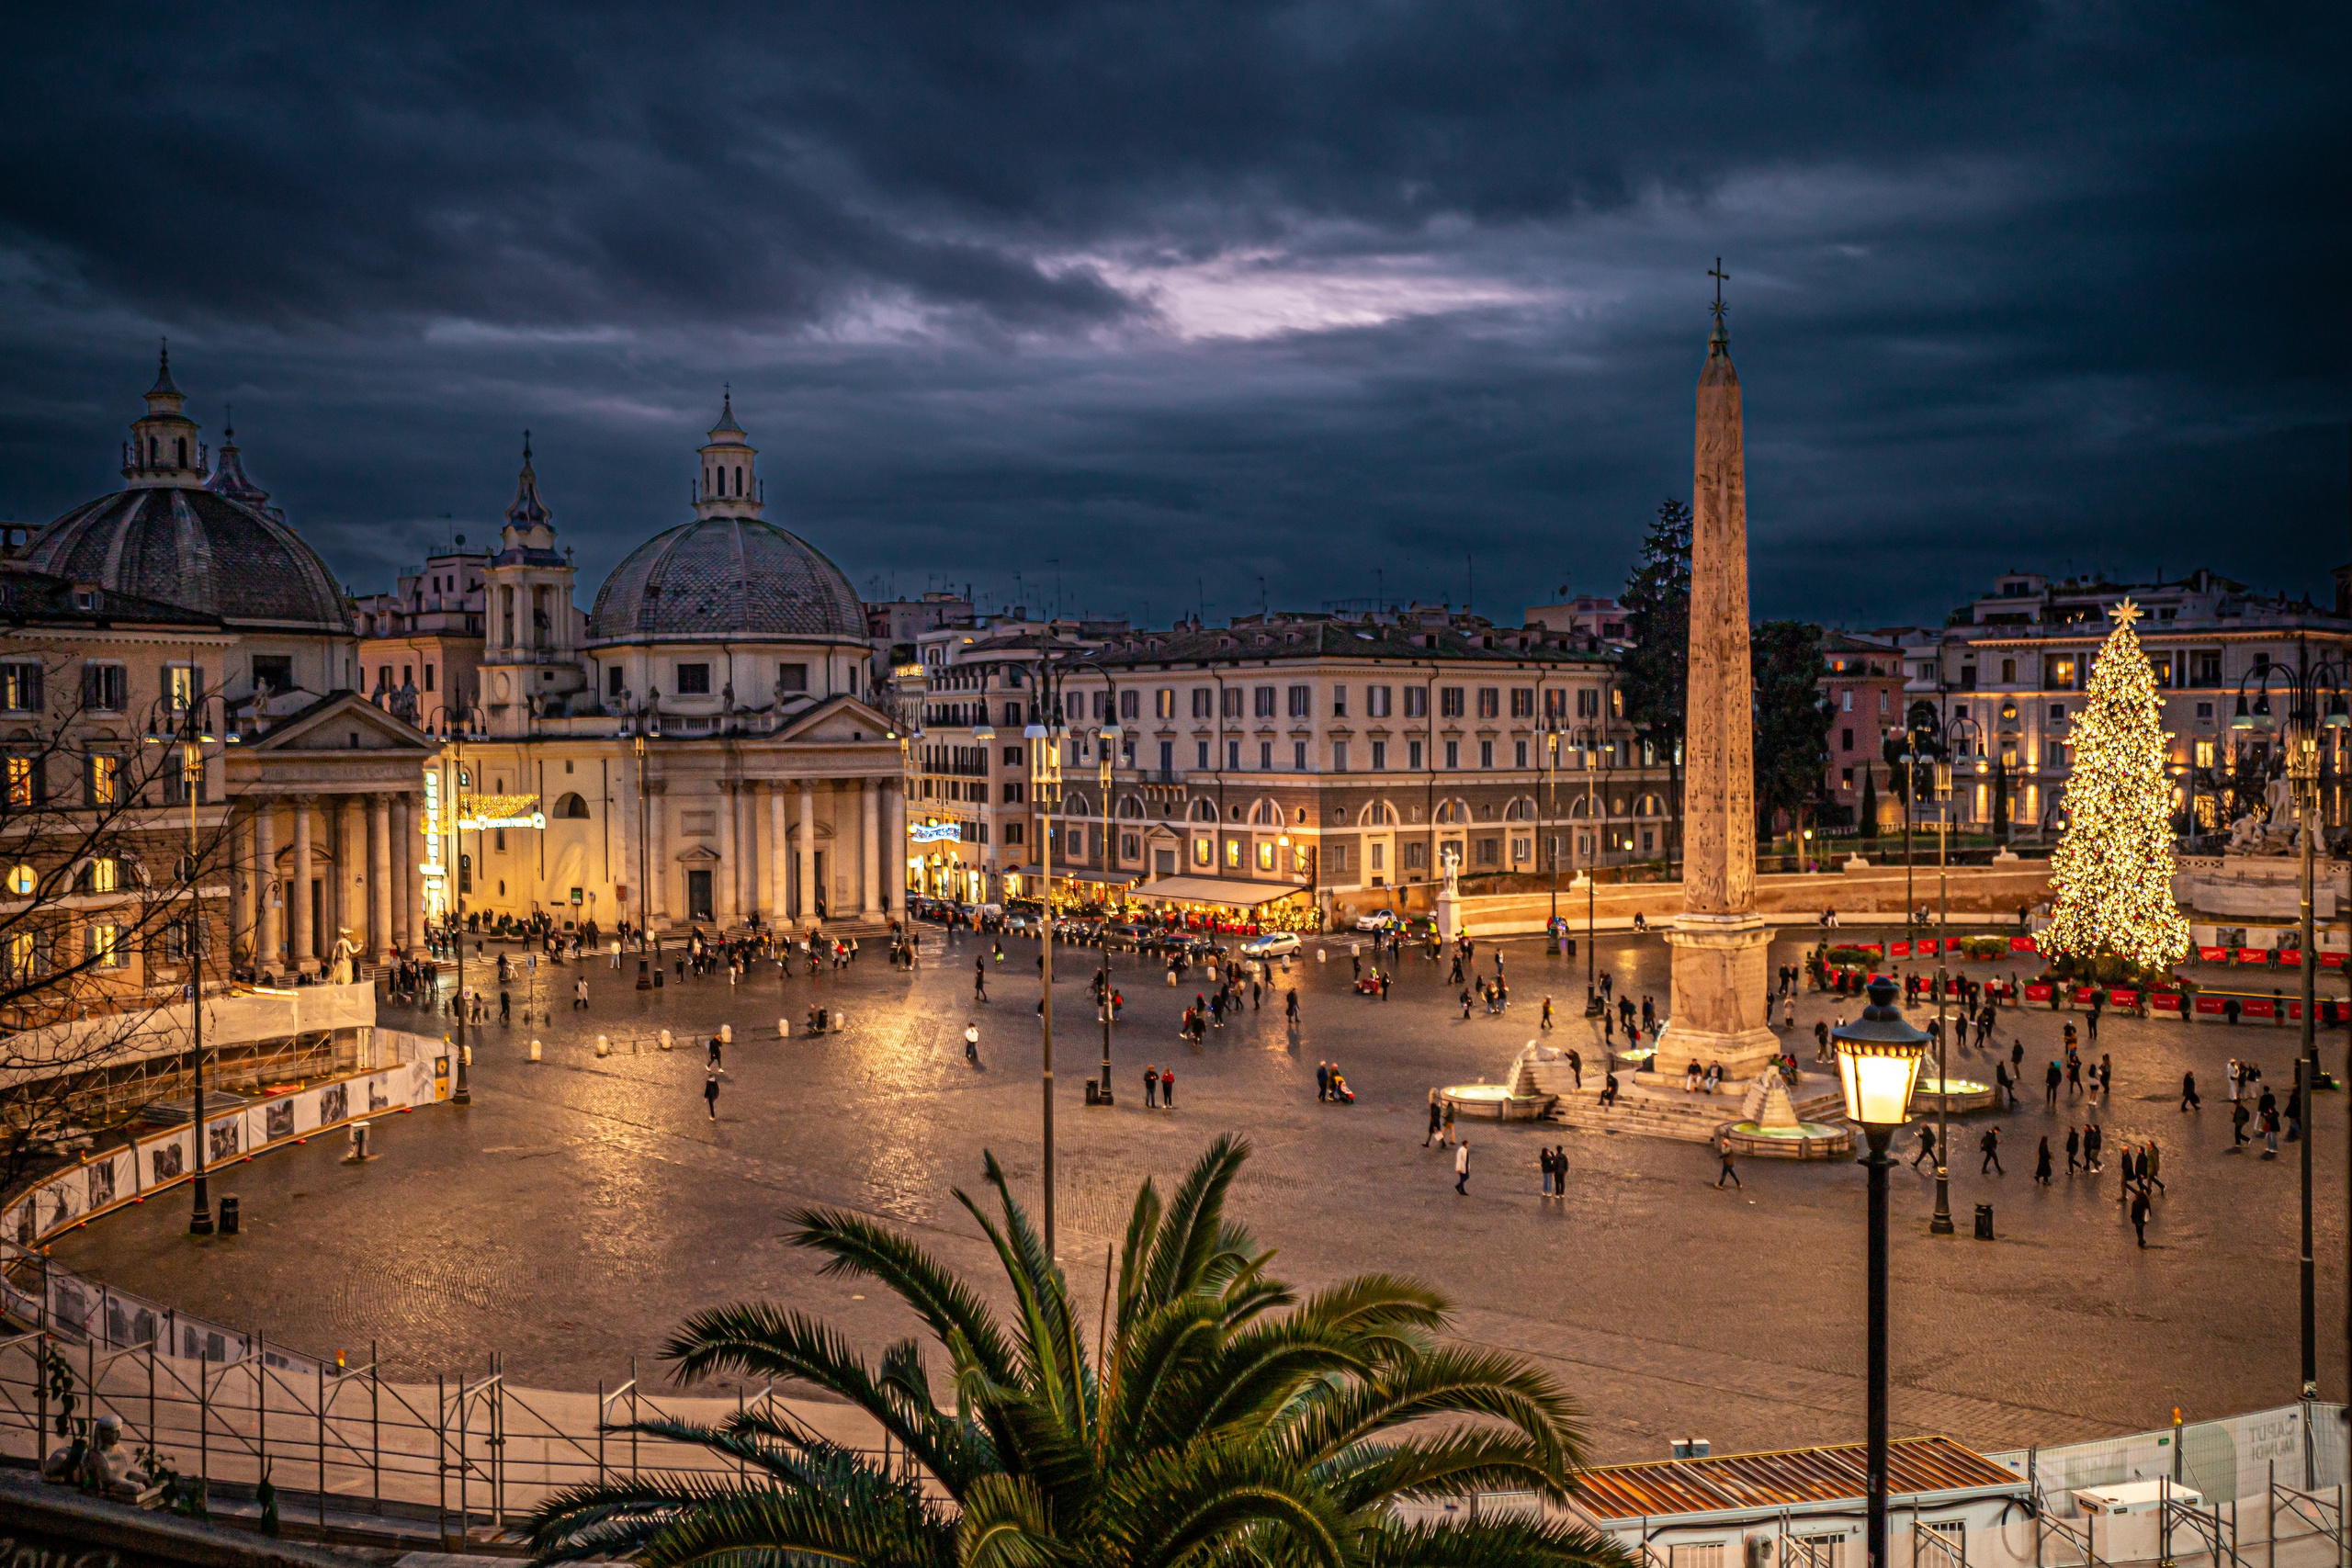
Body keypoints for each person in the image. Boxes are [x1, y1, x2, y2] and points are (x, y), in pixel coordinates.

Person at [2130, 1183, 2152, 1247]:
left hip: (2137, 1218)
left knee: (2138, 1230)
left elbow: (2133, 1211)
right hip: (2143, 1218)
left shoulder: (2135, 1203)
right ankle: (2141, 1240)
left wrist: (2132, 1218)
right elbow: (2149, 1210)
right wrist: (2149, 1216)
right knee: (2141, 1229)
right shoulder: (2146, 1202)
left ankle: (2141, 1240)